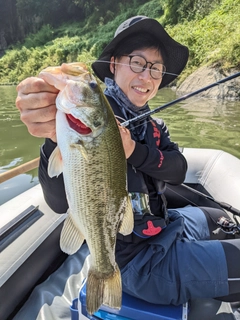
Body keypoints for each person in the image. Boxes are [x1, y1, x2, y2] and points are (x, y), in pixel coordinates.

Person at [16, 16, 240, 306]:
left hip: (165, 227)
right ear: (113, 65)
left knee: (218, 219)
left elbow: (178, 170)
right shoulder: (91, 119)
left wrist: (134, 149)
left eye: (156, 69)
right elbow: (59, 202)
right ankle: (110, 278)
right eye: (137, 62)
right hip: (139, 263)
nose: (146, 77)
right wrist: (54, 137)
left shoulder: (154, 125)